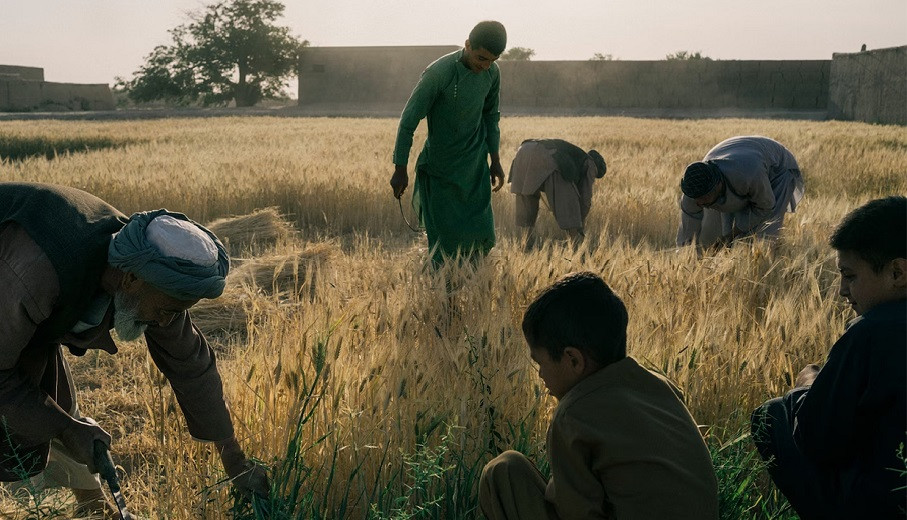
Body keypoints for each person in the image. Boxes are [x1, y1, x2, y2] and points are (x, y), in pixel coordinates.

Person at [0, 182, 268, 517]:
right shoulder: (35, 268)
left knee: (55, 407)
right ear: (130, 281)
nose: (165, 320)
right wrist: (65, 429)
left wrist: (233, 457)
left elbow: (191, 364)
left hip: (19, 315)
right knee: (37, 413)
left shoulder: (149, 273)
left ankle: (94, 511)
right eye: (169, 310)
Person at [480, 272, 718, 519]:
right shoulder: (662, 386)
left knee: (504, 471)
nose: (540, 374)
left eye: (540, 362)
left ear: (573, 359)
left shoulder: (573, 414)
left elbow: (580, 514)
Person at [750, 195, 906, 519]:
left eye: (849, 276)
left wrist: (807, 386)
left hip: (882, 507)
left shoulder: (871, 332)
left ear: (898, 272)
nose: (841, 291)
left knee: (772, 416)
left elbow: (816, 440)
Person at [390, 20, 507, 265]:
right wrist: (400, 168)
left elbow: (490, 116)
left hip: (475, 169)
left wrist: (494, 160)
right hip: (440, 171)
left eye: (491, 61)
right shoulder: (438, 74)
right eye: (480, 58)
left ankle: (476, 297)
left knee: (481, 240)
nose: (484, 67)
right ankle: (444, 302)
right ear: (467, 45)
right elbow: (408, 120)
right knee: (444, 249)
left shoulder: (492, 73)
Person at [676, 135, 804, 248]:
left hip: (777, 170)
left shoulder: (748, 175)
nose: (698, 203)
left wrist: (731, 235)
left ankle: (763, 267)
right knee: (727, 236)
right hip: (741, 159)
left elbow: (765, 207)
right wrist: (685, 253)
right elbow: (689, 223)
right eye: (696, 199)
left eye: (703, 198)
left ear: (718, 186)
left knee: (764, 236)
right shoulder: (694, 189)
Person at [509, 139, 607, 245]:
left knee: (527, 200)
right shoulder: (590, 163)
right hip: (544, 155)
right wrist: (580, 223)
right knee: (569, 204)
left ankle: (526, 243)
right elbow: (585, 198)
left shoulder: (576, 155)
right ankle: (575, 245)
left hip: (524, 151)